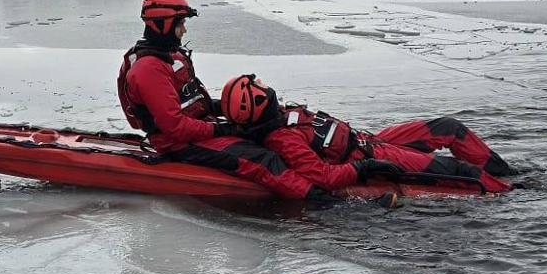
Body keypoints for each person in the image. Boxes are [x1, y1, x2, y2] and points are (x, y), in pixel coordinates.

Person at [116, 0, 325, 202]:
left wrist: (243, 111)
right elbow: (176, 128)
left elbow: (197, 103)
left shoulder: (169, 57)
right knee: (263, 159)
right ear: (163, 24)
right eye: (180, 24)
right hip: (178, 143)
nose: (184, 30)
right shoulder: (148, 70)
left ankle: (323, 169)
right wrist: (225, 129)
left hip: (198, 128)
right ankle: (319, 199)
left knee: (267, 130)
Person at [218, 74, 519, 193]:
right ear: (257, 102)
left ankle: (508, 175)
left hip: (371, 140)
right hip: (372, 156)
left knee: (449, 128)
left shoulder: (280, 116)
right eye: (260, 87)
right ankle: (509, 194)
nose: (266, 86)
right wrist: (364, 167)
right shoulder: (284, 139)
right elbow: (323, 177)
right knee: (458, 171)